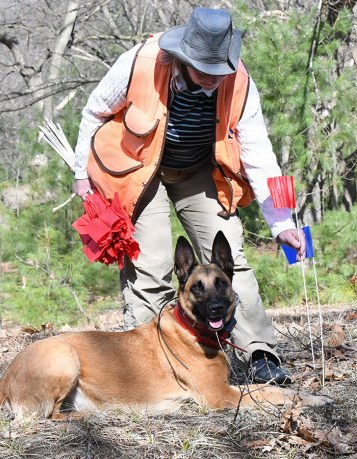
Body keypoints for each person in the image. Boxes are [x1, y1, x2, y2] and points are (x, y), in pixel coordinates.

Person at [72, 7, 305, 386]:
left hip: (199, 170)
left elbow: (261, 154)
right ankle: (145, 362)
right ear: (183, 58)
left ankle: (261, 354)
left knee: (232, 259)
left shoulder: (240, 82)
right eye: (204, 71)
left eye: (220, 70)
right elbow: (93, 112)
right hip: (139, 169)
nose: (214, 79)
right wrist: (81, 174)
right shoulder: (140, 63)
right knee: (153, 264)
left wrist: (282, 223)